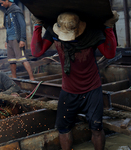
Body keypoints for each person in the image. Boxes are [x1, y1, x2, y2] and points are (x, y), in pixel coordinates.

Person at [31, 11, 119, 150]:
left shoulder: (91, 33)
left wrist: (109, 26)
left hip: (92, 89)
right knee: (63, 128)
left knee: (96, 127)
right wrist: (37, 25)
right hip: (68, 90)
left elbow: (110, 53)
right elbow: (37, 52)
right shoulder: (54, 32)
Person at [0, 0, 35, 81]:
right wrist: (6, 40)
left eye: (2, 3)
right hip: (9, 40)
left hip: (17, 39)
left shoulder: (16, 10)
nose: (1, 5)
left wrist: (22, 39)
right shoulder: (7, 12)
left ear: (7, 1)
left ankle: (32, 78)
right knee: (11, 60)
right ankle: (14, 78)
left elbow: (22, 25)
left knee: (22, 59)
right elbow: (7, 28)